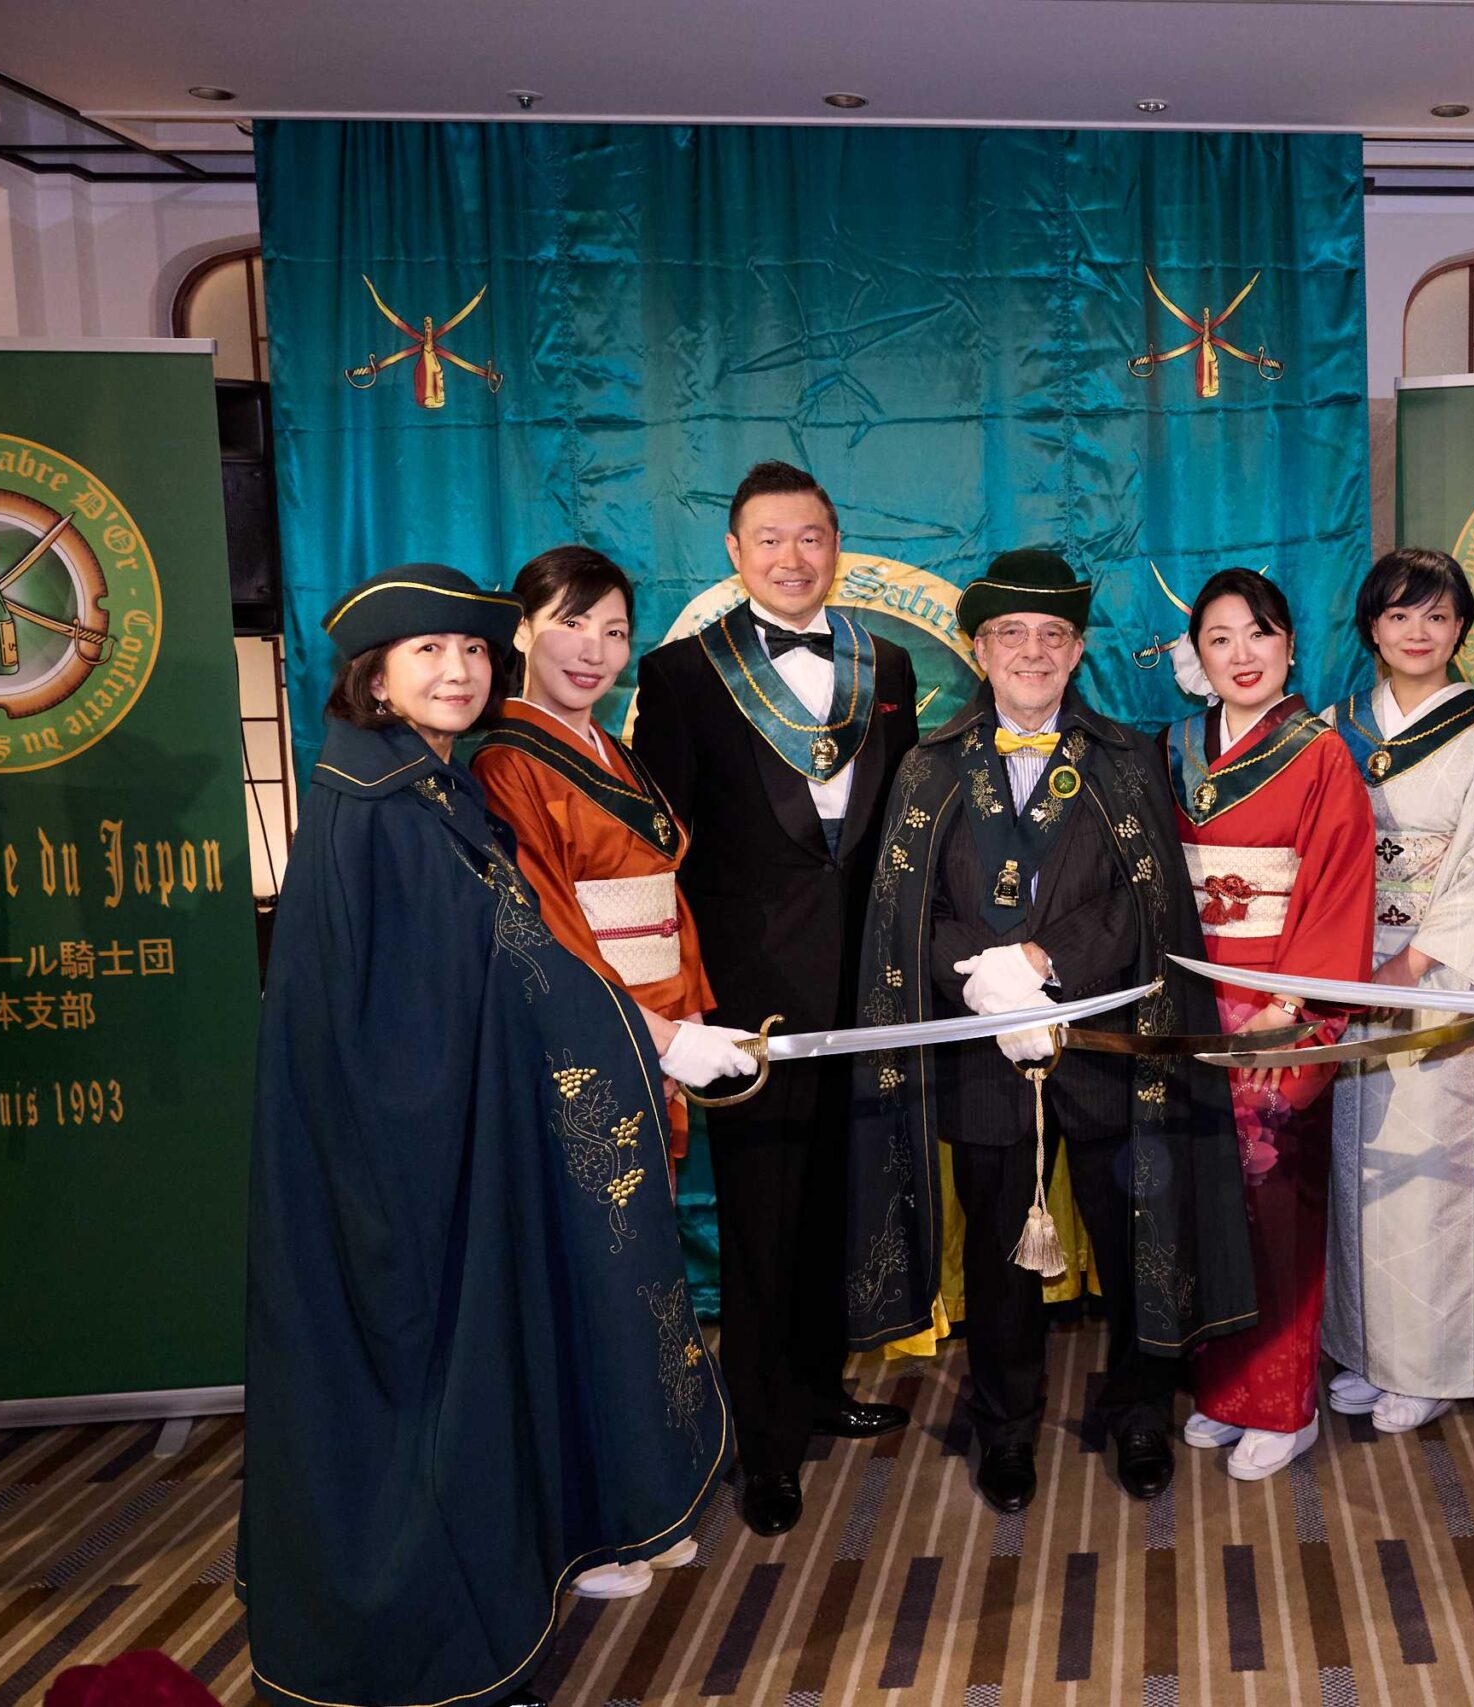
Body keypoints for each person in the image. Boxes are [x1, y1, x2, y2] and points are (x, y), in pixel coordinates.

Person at [242, 564, 749, 1707]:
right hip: (402, 1161)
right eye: (426, 652)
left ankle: (527, 1567)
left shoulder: (425, 788)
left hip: (455, 1126)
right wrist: (655, 1041)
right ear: (373, 676)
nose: (459, 671)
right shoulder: (378, 808)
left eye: (472, 650)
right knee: (428, 1391)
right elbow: (507, 967)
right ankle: (437, 1644)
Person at [844, 548, 1257, 1514]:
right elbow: (903, 910)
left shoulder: (1127, 757)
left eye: (1052, 635)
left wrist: (1039, 961)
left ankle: (1139, 1410)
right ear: (979, 649)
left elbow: (1147, 904)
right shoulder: (928, 764)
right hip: (984, 1052)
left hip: (1108, 1047)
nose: (1032, 652)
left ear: (1076, 652)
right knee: (998, 1259)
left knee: (1134, 1236)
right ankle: (1005, 1426)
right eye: (1011, 634)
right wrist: (986, 979)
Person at [631, 461, 921, 1538]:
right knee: (760, 1215)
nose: (792, 559)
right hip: (747, 990)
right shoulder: (681, 675)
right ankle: (763, 1440)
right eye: (769, 539)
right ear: (734, 553)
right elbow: (659, 852)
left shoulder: (885, 663)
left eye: (810, 537)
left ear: (836, 544)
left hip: (867, 984)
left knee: (838, 1194)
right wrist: (684, 1002)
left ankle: (815, 1382)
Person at [1320, 549, 1474, 1432]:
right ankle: (1363, 1349)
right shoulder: (1334, 727)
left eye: (1438, 615)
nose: (1418, 632)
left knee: (1429, 1174)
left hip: (1436, 977)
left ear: (1462, 630)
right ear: (1371, 627)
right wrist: (1337, 963)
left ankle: (1429, 1366)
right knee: (1354, 1167)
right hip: (1339, 967)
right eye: (1400, 614)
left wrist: (1408, 966)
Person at [1170, 567, 1376, 1481]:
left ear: (1291, 646)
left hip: (1279, 1002)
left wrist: (1291, 1008)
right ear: (1197, 656)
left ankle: (1285, 1404)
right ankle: (1225, 1387)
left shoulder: (1321, 753)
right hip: (1192, 998)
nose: (1242, 654)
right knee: (1204, 1198)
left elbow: (1340, 885)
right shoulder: (1177, 747)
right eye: (1220, 638)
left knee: (1277, 1200)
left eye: (1259, 633)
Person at [474, 545, 711, 1183]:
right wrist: (651, 1033)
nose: (594, 652)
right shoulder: (506, 764)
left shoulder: (615, 752)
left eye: (614, 633)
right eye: (571, 623)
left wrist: (687, 1013)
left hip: (660, 1019)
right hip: (594, 1025)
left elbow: (663, 886)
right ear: (520, 629)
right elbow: (545, 921)